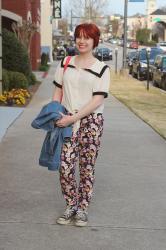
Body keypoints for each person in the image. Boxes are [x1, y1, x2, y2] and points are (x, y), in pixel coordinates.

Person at [52, 23, 110, 227]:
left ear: (95, 41)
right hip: (65, 119)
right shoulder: (65, 62)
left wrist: (73, 118)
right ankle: (71, 205)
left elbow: (97, 100)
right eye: (79, 36)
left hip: (91, 122)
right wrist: (55, 112)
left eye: (87, 37)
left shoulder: (101, 69)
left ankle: (82, 208)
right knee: (65, 166)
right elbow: (58, 92)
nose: (82, 41)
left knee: (87, 167)